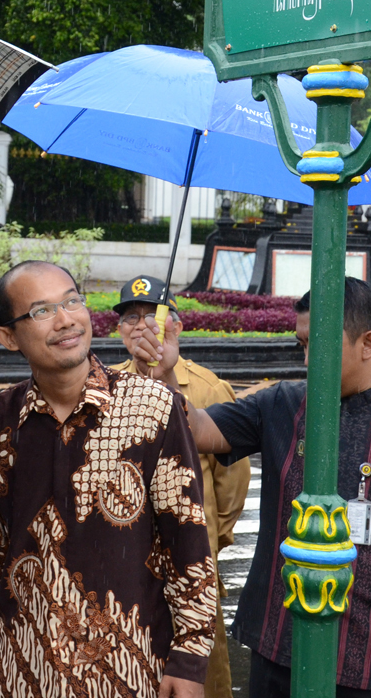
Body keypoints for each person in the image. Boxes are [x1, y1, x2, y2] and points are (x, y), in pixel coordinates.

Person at [127, 276, 371, 698]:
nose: (309, 358)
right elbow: (198, 429)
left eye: (319, 343)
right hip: (278, 651)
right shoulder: (283, 403)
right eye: (302, 344)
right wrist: (165, 374)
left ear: (368, 343)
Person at [0, 260, 217, 698]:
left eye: (72, 301)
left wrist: (190, 659)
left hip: (135, 671)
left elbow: (188, 539)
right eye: (41, 311)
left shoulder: (153, 407)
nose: (65, 321)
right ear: (7, 336)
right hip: (26, 673)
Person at [111, 275, 250, 698]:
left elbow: (231, 487)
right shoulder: (104, 386)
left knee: (200, 678)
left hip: (192, 570)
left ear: (177, 324)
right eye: (130, 318)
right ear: (118, 331)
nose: (141, 326)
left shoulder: (208, 389)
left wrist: (207, 541)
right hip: (123, 566)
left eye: (153, 315)